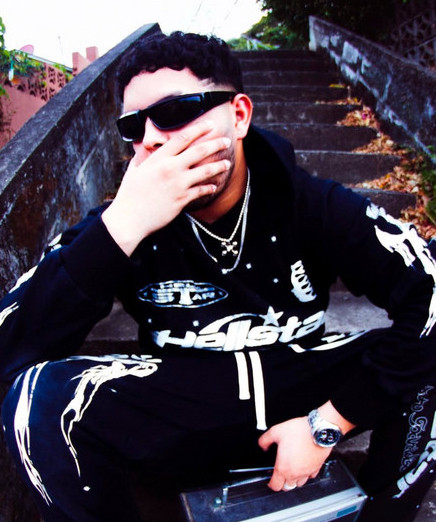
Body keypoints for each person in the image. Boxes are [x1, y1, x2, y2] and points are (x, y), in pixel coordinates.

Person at [0, 30, 435, 522]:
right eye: (133, 126)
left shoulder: (308, 202)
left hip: (300, 391)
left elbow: (428, 290)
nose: (151, 139)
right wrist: (121, 227)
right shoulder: (123, 220)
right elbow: (11, 343)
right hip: (181, 405)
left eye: (174, 112)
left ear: (239, 115)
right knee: (36, 399)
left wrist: (328, 423)